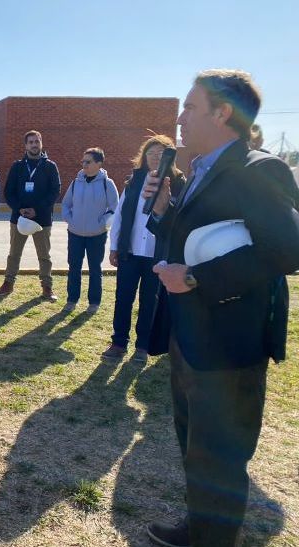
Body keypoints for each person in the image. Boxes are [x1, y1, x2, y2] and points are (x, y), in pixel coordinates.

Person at [144, 69, 299, 547]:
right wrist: (164, 209)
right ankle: (200, 529)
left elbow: (288, 249)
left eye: (190, 107)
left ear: (222, 112)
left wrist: (194, 278)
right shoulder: (197, 171)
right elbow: (184, 240)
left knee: (221, 456)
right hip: (190, 337)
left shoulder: (258, 169)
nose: (180, 117)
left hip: (230, 347)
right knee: (196, 448)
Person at [102, 135, 185, 364]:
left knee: (150, 300)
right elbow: (119, 215)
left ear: (170, 157)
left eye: (161, 154)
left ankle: (142, 346)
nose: (155, 158)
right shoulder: (134, 181)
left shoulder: (178, 183)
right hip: (130, 252)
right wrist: (115, 246)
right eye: (151, 153)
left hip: (157, 256)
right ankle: (118, 343)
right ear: (144, 156)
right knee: (123, 298)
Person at [0, 130, 61, 301]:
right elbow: (8, 192)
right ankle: (8, 284)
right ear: (25, 146)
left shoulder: (50, 166)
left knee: (44, 255)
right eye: (30, 142)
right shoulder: (17, 166)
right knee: (14, 253)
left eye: (36, 141)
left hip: (42, 219)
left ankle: (47, 287)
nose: (34, 144)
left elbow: (55, 192)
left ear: (41, 143)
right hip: (20, 217)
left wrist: (37, 210)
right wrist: (19, 209)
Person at [61, 147, 119, 313]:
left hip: (97, 236)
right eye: (83, 161)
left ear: (99, 163)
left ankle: (94, 302)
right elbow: (66, 204)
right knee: (74, 268)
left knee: (95, 269)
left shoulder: (107, 184)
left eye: (88, 161)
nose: (84, 164)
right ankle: (72, 300)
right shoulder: (75, 182)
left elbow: (115, 208)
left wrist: (102, 224)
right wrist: (69, 219)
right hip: (75, 234)